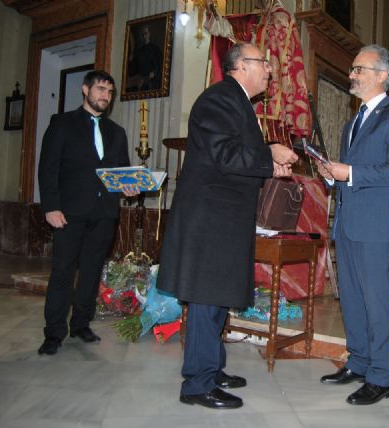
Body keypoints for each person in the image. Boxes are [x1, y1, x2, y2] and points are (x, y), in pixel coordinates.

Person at [156, 43, 298, 410]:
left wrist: (269, 161)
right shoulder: (219, 99)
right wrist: (269, 152)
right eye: (263, 62)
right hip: (210, 218)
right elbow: (225, 155)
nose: (269, 69)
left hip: (224, 217)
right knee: (206, 297)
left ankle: (212, 369)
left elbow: (237, 156)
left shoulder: (238, 102)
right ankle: (197, 383)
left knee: (217, 297)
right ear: (241, 66)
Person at [316, 44, 389, 405]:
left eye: (359, 69)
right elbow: (352, 174)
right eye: (353, 69)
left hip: (376, 224)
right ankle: (358, 362)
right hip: (347, 223)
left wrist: (351, 172)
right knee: (352, 299)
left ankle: (380, 376)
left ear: (382, 75)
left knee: (377, 302)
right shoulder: (351, 123)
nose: (352, 75)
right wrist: (334, 175)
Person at [37, 70, 139, 356]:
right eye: (100, 89)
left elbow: (120, 173)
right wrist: (51, 207)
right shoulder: (62, 124)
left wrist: (129, 187)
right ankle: (53, 332)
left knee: (92, 271)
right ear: (85, 89)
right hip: (68, 211)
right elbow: (48, 169)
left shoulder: (117, 132)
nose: (106, 96)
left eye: (110, 92)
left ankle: (81, 324)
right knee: (62, 271)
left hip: (104, 212)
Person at [127, 25, 163, 91]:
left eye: (146, 33)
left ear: (149, 34)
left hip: (151, 81)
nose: (144, 36)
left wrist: (154, 72)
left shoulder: (155, 48)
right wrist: (131, 61)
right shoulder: (139, 50)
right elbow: (135, 67)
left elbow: (159, 64)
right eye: (143, 34)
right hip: (140, 80)